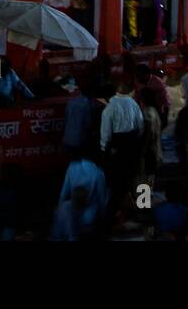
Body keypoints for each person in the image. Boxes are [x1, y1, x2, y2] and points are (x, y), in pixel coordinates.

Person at [99, 81, 144, 216]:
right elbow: (141, 125)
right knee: (136, 177)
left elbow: (105, 135)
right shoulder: (131, 102)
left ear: (106, 96)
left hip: (118, 148)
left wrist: (103, 151)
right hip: (134, 145)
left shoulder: (109, 108)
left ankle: (116, 212)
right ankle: (142, 210)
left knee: (118, 181)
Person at [57, 149, 108, 238]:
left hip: (72, 217)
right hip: (89, 220)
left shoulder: (72, 167)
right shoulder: (98, 173)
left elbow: (63, 193)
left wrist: (60, 213)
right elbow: (102, 200)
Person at [60, 77, 93, 154]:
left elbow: (65, 121)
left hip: (67, 139)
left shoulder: (71, 102)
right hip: (79, 142)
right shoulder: (87, 104)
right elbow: (88, 124)